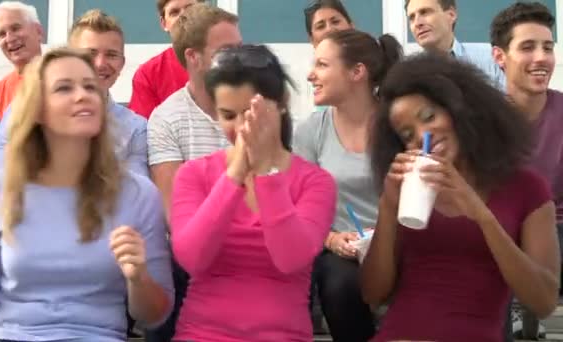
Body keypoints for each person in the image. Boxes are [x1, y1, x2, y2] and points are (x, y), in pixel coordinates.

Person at [0, 47, 174, 342]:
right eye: (64, 88)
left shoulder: (137, 194)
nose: (83, 95)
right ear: (37, 111)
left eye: (89, 86)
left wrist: (139, 277)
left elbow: (155, 315)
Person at [361, 53, 560, 342]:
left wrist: (481, 215)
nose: (422, 134)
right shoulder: (408, 193)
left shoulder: (527, 189)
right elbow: (373, 295)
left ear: (460, 108)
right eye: (407, 134)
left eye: (429, 116)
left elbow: (543, 301)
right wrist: (388, 208)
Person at [170, 43, 336, 341]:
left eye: (250, 112)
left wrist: (265, 175)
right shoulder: (194, 175)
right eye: (227, 115)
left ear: (281, 103)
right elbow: (191, 257)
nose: (240, 127)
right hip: (203, 333)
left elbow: (291, 257)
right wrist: (235, 174)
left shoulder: (315, 182)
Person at [295, 28, 403, 341]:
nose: (310, 75)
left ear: (357, 72)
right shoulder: (312, 130)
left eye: (322, 65)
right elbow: (299, 206)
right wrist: (329, 239)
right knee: (339, 283)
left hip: (399, 244)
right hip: (340, 251)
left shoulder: (397, 125)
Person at [146, 3, 241, 340]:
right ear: (194, 57)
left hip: (253, 247)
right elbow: (177, 217)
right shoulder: (166, 118)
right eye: (228, 51)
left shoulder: (260, 107)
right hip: (195, 255)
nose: (239, 60)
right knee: (166, 271)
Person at [0, 9, 149, 178]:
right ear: (69, 57)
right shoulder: (25, 110)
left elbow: (136, 196)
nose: (100, 63)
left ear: (122, 64)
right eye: (90, 54)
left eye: (111, 55)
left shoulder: (136, 129)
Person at [491, 2, 561, 339]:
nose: (541, 58)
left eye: (548, 47)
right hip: (498, 232)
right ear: (499, 57)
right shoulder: (480, 119)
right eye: (527, 47)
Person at [405, 0, 504, 89]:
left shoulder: (490, 57)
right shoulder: (409, 75)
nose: (417, 23)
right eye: (412, 18)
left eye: (425, 12)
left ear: (451, 15)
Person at [128, 0, 201, 118]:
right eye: (174, 12)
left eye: (190, 8)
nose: (183, 16)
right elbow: (145, 131)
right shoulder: (148, 74)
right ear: (164, 24)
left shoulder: (228, 61)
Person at [0, 1, 43, 119]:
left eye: (16, 28)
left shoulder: (64, 78)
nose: (9, 38)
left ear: (39, 31)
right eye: (1, 34)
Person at [303, 0, 354, 115]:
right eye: (320, 26)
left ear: (351, 26)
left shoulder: (373, 63)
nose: (329, 29)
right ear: (312, 40)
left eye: (335, 22)